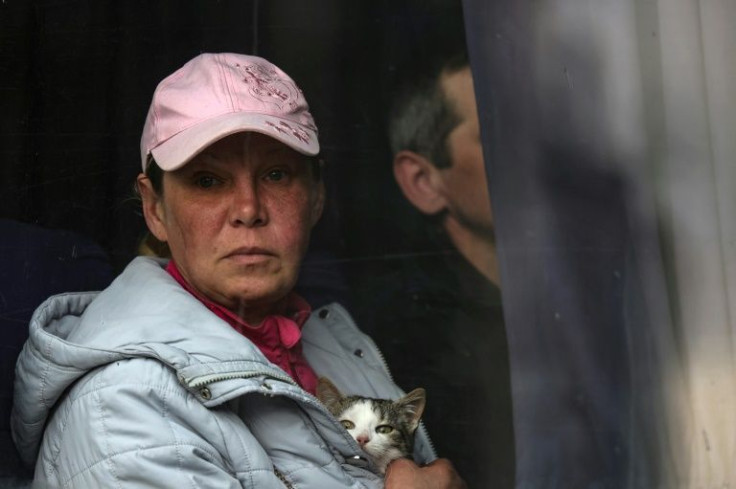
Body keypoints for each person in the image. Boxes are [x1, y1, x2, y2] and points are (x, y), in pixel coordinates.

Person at [10, 53, 466, 489]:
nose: (249, 209)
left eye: (276, 175)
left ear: (317, 197)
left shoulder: (331, 347)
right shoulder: (125, 409)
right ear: (155, 209)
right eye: (208, 181)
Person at [352, 50, 515, 488]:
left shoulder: (595, 292)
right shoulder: (405, 335)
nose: (529, 152)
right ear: (424, 182)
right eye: (496, 134)